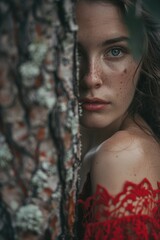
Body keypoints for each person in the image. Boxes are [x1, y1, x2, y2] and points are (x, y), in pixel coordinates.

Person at [76, 0, 160, 239]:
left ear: (145, 56)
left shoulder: (119, 155)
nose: (90, 78)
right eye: (74, 52)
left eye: (115, 51)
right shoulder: (141, 134)